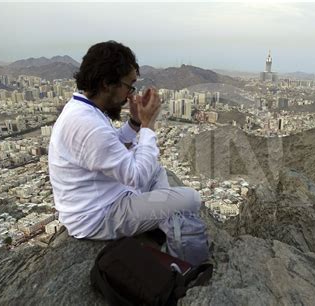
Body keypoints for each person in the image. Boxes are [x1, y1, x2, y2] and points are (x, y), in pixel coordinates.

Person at [48, 41, 202, 240]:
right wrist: (148, 125)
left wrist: (136, 122)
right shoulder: (87, 125)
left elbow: (111, 147)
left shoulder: (84, 109)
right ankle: (164, 224)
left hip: (107, 196)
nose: (130, 94)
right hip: (99, 216)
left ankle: (160, 220)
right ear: (107, 83)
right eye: (129, 86)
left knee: (157, 171)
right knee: (192, 198)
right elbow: (137, 177)